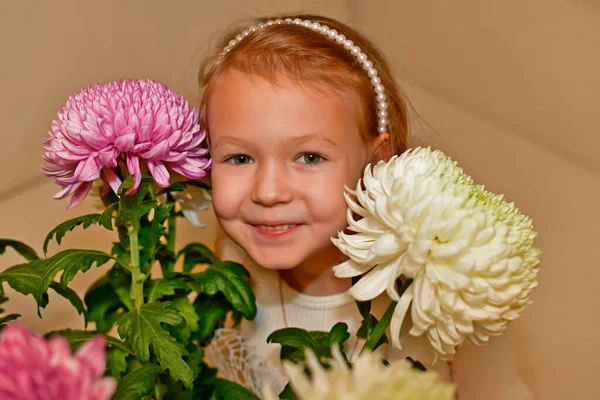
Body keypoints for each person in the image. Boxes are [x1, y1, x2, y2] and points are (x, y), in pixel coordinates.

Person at [198, 14, 533, 399]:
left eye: (309, 157)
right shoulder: (232, 259)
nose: (268, 192)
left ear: (375, 160)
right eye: (239, 158)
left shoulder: (455, 293)